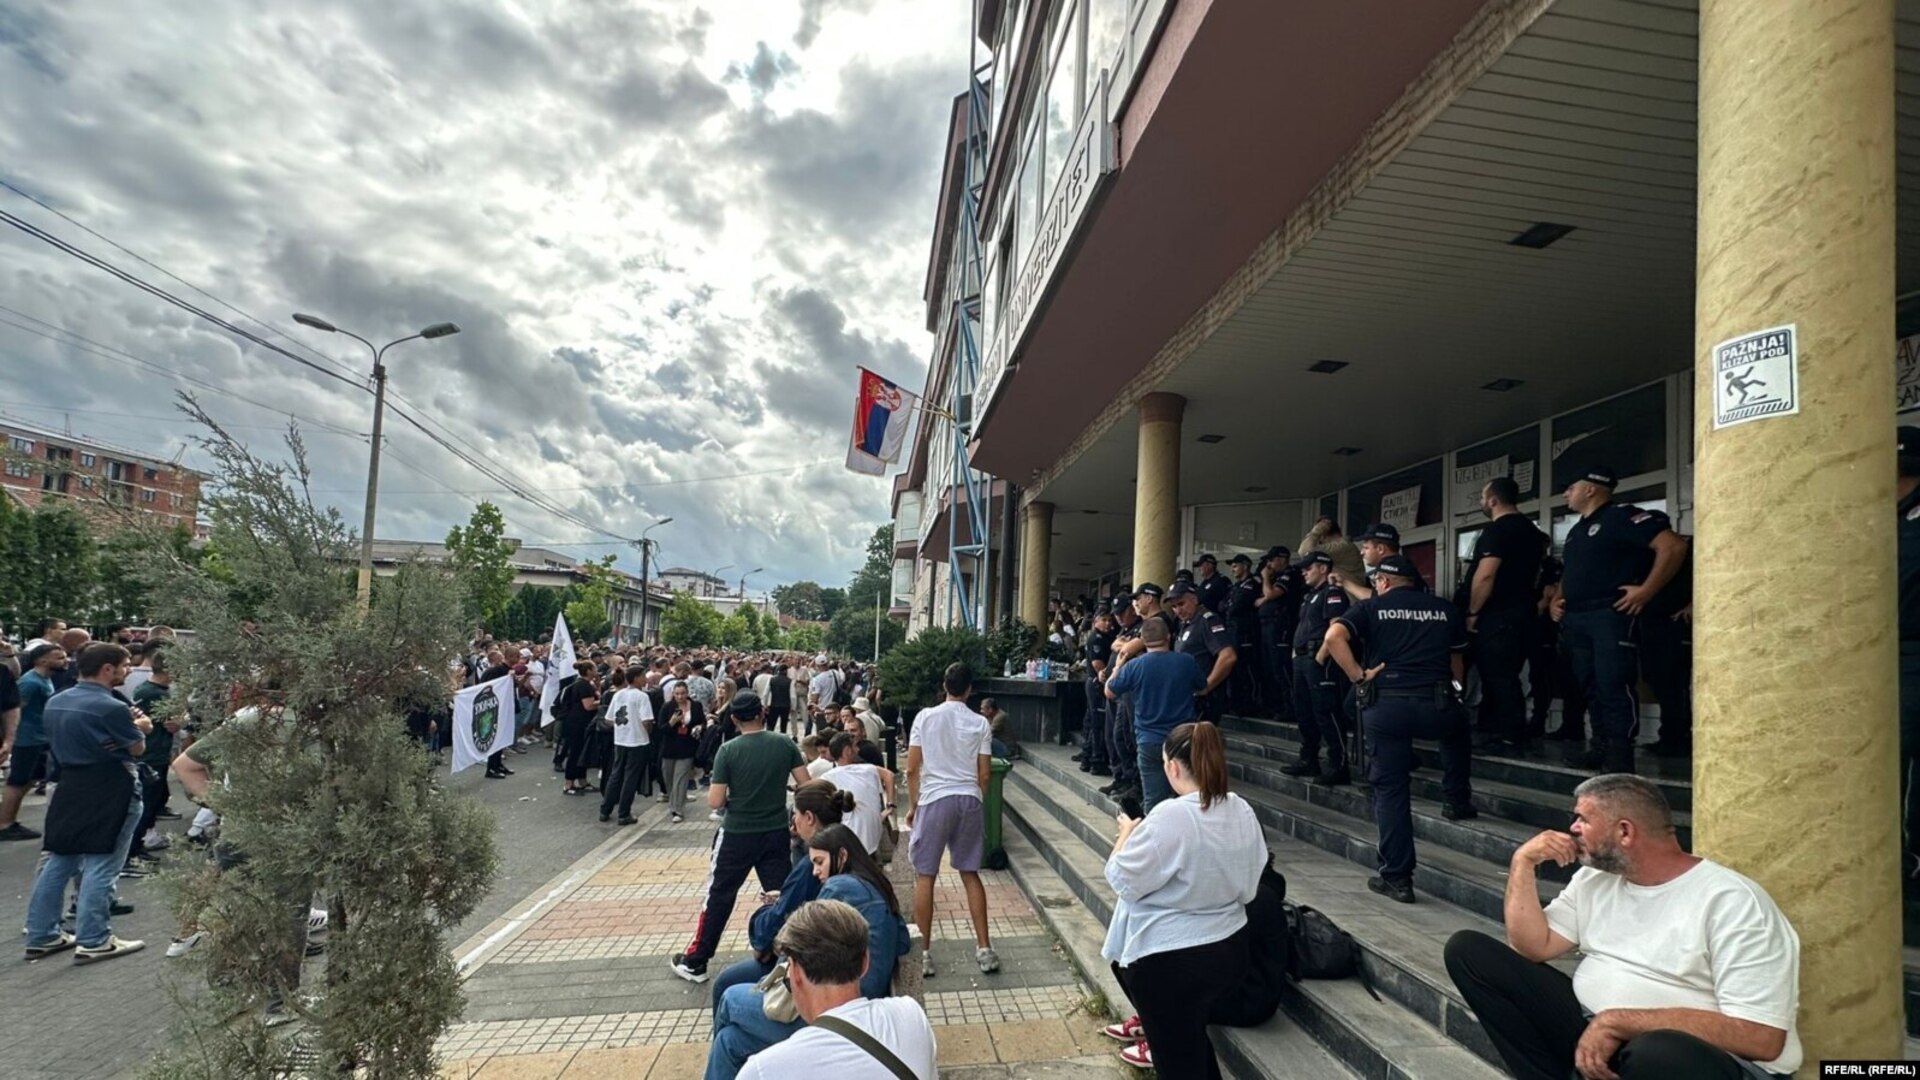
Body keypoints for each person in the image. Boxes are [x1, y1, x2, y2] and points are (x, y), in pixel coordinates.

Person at [1445, 774, 1801, 1080]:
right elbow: (1534, 946)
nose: (1573, 828)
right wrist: (1522, 863)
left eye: (1583, 819)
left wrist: (1621, 1021)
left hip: (1700, 1061)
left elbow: (1762, 1038)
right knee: (1471, 952)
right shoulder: (1594, 879)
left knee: (1656, 1052)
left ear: (1625, 832)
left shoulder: (1732, 902)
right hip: (1597, 1029)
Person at [1101, 722, 1263, 1077]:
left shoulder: (1171, 815)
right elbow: (1250, 886)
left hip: (1172, 963)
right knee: (1191, 1050)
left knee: (1178, 1063)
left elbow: (1120, 878)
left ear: (1173, 767)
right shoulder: (1241, 809)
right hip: (1231, 949)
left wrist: (1127, 833)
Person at [1325, 553, 1475, 904]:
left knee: (1392, 790)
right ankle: (1456, 799)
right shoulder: (1444, 609)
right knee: (1456, 734)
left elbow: (1333, 638)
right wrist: (1456, 692)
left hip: (1388, 705)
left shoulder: (1371, 608)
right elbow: (1456, 659)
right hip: (1437, 701)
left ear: (1384, 581)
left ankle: (1397, 878)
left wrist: (1358, 677)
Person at [707, 825, 912, 1079]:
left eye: (819, 862)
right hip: (862, 1005)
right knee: (729, 1040)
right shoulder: (874, 884)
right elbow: (903, 942)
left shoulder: (839, 886)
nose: (815, 871)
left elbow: (794, 943)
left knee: (728, 997)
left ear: (842, 856)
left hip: (832, 1012)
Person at [1552, 466, 1688, 774]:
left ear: (1590, 489)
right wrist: (1558, 600)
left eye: (1570, 487)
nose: (1565, 494)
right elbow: (1571, 572)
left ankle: (1619, 754)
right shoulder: (1576, 531)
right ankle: (1600, 746)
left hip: (1609, 614)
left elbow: (1673, 546)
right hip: (1577, 617)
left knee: (1613, 683)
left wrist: (1647, 590)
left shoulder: (1621, 517)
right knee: (1589, 685)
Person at [672, 691, 811, 984]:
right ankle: (793, 956)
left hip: (737, 833)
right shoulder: (784, 744)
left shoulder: (729, 750)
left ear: (734, 719)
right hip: (775, 832)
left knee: (720, 895)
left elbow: (715, 800)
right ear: (763, 713)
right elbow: (806, 785)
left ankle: (697, 961)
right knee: (782, 895)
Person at [23, 643, 150, 964]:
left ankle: (42, 934)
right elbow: (136, 748)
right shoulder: (111, 707)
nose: (127, 671)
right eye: (124, 665)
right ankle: (94, 939)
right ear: (107, 668)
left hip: (69, 781)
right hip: (111, 784)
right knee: (102, 862)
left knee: (60, 859)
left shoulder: (57, 700)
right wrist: (141, 728)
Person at [735, 899, 937, 1080]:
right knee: (730, 1038)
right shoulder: (911, 1014)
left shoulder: (763, 1071)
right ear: (865, 962)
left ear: (795, 972)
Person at [710, 779, 854, 1005]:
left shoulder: (810, 866)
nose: (793, 821)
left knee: (725, 985)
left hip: (811, 964)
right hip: (827, 953)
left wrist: (768, 918)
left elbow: (771, 927)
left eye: (795, 814)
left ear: (809, 817)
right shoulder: (846, 846)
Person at [905, 662, 998, 978]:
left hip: (934, 799)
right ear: (970, 689)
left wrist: (914, 805)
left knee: (925, 875)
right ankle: (984, 948)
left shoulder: (925, 717)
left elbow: (912, 768)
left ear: (944, 686)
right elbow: (984, 773)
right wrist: (977, 797)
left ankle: (924, 953)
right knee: (970, 873)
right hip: (969, 798)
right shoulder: (980, 723)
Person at [1463, 477, 1548, 751]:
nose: (1481, 501)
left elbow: (1486, 575)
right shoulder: (1533, 532)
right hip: (1524, 612)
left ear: (1493, 500)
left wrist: (1473, 612)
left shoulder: (1498, 530)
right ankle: (1495, 730)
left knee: (1499, 675)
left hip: (1498, 614)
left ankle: (1510, 735)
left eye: (1482, 497)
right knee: (1505, 674)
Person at [1105, 618, 1205, 814]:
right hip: (1182, 740)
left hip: (1148, 740)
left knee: (1154, 800)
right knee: (1188, 797)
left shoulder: (1135, 666)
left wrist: (1117, 668)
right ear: (1169, 636)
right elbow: (1202, 687)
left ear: (1143, 640)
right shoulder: (1186, 661)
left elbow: (1109, 691)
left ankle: (1156, 830)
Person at [1282, 552, 1354, 786]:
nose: (1304, 572)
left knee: (1326, 712)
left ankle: (1338, 765)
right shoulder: (1309, 596)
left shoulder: (1332, 593)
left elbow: (1336, 627)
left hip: (1319, 659)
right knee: (1304, 712)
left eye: (1308, 567)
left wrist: (1321, 656)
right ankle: (1309, 759)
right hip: (1302, 658)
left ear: (1323, 568)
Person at [0, 643, 65, 840]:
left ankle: (9, 819)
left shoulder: (45, 679)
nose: (66, 661)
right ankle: (4, 823)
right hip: (26, 739)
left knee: (30, 779)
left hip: (39, 738)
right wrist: (9, 738)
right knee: (18, 781)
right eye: (59, 658)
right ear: (43, 660)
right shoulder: (30, 682)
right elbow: (15, 707)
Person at [1165, 580, 1236, 725]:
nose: (1178, 610)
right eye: (1174, 606)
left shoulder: (1207, 620)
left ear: (1194, 599)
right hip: (1187, 697)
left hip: (1204, 701)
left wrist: (1207, 686)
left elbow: (1228, 656)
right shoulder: (1185, 623)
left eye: (1181, 604)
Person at [822, 732, 893, 858]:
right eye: (855, 746)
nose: (858, 749)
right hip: (869, 838)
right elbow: (889, 776)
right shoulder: (869, 769)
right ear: (847, 751)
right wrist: (890, 804)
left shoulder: (826, 778)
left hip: (847, 840)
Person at [599, 667, 655, 825]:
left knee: (616, 775)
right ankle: (624, 813)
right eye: (643, 676)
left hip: (620, 739)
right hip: (637, 740)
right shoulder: (642, 696)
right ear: (636, 678)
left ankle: (605, 809)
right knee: (631, 777)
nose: (645, 679)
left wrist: (621, 727)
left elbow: (609, 719)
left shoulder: (618, 694)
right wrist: (648, 732)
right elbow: (646, 720)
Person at [1254, 546, 1301, 720]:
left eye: (1271, 560)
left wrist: (1266, 578)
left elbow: (1271, 594)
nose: (1269, 565)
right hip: (1268, 626)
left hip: (1281, 626)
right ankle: (1276, 706)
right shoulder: (1277, 576)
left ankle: (1291, 708)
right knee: (1269, 668)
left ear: (1281, 559)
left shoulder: (1290, 574)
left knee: (1281, 668)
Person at [660, 681, 707, 823]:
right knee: (669, 779)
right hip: (669, 748)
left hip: (687, 747)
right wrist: (672, 722)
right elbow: (661, 729)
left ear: (687, 693)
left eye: (683, 693)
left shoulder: (696, 706)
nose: (680, 697)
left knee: (680, 779)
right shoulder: (667, 707)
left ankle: (678, 810)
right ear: (673, 694)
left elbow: (702, 721)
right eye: (677, 694)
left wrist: (699, 727)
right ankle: (673, 803)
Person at [557, 661, 601, 796]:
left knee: (583, 753)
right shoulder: (583, 685)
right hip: (577, 724)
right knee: (575, 753)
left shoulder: (585, 684)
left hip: (580, 723)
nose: (596, 670)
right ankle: (568, 783)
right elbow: (588, 705)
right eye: (594, 668)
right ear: (588, 671)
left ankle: (582, 781)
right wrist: (604, 701)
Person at [1079, 609, 1114, 777]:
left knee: (1093, 721)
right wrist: (1109, 679)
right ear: (1095, 621)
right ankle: (1096, 760)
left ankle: (1087, 757)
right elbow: (1097, 663)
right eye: (1104, 620)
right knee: (1098, 723)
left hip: (1095, 683)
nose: (1108, 623)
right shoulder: (1096, 638)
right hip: (1097, 683)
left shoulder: (1106, 636)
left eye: (1109, 620)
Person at [1191, 552, 1231, 616]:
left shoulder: (1221, 580)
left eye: (1201, 565)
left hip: (1217, 618)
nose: (1199, 568)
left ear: (1210, 565)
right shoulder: (1204, 583)